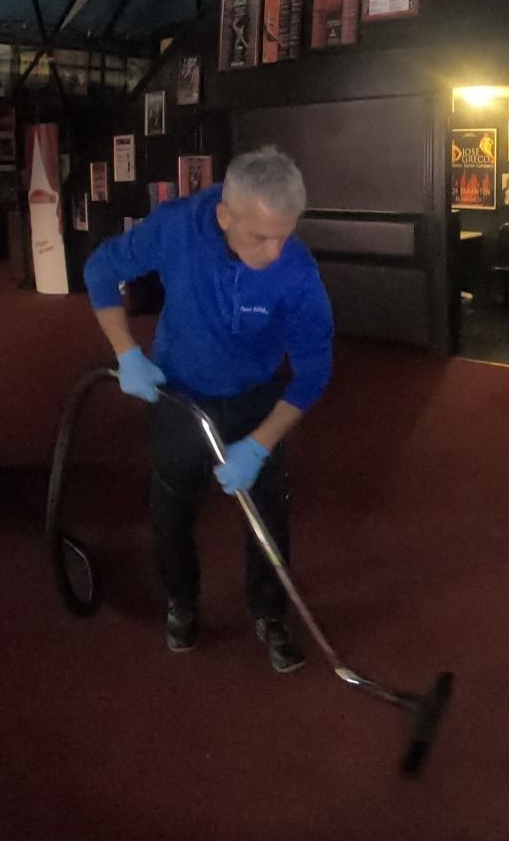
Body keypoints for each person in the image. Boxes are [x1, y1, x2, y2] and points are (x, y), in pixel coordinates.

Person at [83, 146, 334, 672]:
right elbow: (100, 270)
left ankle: (269, 613)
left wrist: (260, 444)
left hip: (255, 396)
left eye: (284, 235)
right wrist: (126, 352)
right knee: (170, 507)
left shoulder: (296, 269)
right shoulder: (177, 228)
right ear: (224, 214)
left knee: (268, 509)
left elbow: (313, 370)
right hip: (180, 392)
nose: (273, 251)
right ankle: (182, 601)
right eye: (259, 237)